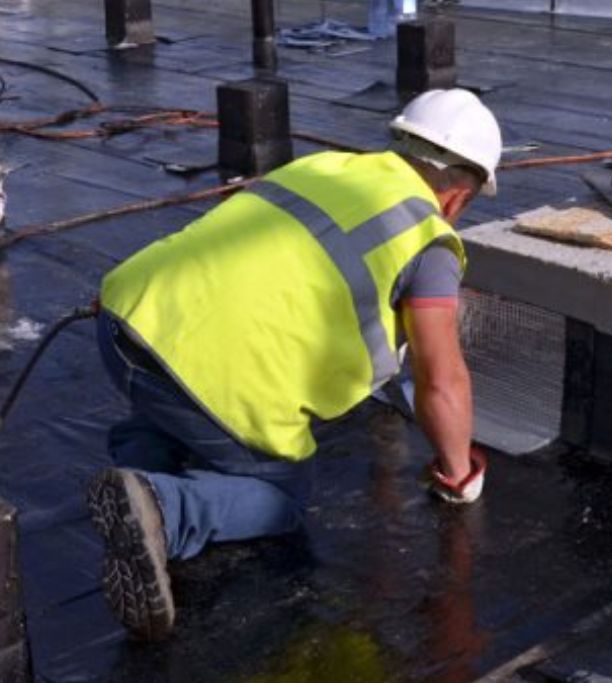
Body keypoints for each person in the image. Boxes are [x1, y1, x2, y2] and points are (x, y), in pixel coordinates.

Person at [86, 88, 501, 641]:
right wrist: (458, 474)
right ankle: (165, 512)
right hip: (203, 377)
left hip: (121, 323)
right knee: (282, 493)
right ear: (457, 199)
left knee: (177, 403)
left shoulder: (323, 166)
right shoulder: (428, 240)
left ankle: (139, 468)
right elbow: (441, 377)